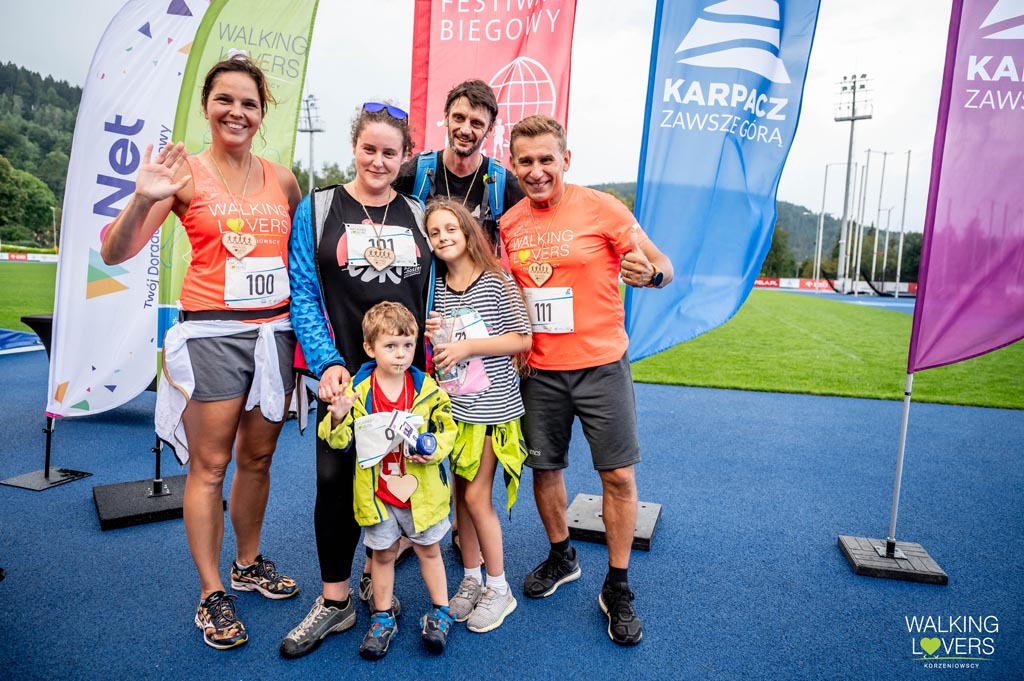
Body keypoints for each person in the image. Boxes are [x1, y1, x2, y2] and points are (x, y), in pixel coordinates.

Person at [99, 54, 302, 650]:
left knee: (258, 459)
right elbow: (115, 252)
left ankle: (248, 563)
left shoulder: (283, 179)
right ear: (207, 106)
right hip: (212, 336)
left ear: (262, 112)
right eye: (225, 100)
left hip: (274, 335)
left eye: (249, 103)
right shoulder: (182, 175)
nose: (237, 112)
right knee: (210, 467)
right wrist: (143, 199)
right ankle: (212, 591)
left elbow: (298, 261)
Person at [499, 114, 674, 646]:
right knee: (545, 469)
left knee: (617, 477)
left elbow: (661, 263)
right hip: (538, 372)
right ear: (513, 165)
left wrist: (652, 275)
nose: (536, 171)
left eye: (546, 159)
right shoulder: (509, 224)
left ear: (566, 160)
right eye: (525, 161)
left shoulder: (603, 208)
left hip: (601, 367)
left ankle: (617, 585)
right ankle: (562, 556)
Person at [281, 101, 433, 659]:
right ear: (354, 148)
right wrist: (327, 362)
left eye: (389, 152)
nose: (378, 160)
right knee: (335, 481)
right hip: (345, 381)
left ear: (404, 156)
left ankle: (378, 575)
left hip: (408, 382)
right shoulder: (319, 207)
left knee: (395, 477)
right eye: (369, 149)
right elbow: (302, 289)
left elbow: (435, 290)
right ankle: (336, 599)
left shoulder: (417, 212)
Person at [320, 301, 457, 658]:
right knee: (383, 556)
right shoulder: (357, 391)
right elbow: (338, 441)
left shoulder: (427, 388)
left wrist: (434, 449)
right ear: (370, 348)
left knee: (429, 550)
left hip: (422, 494)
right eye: (390, 345)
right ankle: (382, 617)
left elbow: (447, 429)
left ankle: (441, 611)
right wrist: (338, 417)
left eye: (408, 345)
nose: (401, 354)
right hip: (379, 494)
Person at [422, 200, 532, 633]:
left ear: (468, 232)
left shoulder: (497, 280)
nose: (443, 237)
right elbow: (441, 346)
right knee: (460, 499)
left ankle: (499, 587)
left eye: (451, 228)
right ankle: (471, 579)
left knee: (475, 499)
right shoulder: (436, 287)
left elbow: (522, 339)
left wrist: (468, 347)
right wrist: (435, 334)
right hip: (454, 410)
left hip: (491, 409)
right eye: (434, 232)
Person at [394, 79, 524, 254]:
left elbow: (536, 221)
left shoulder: (500, 181)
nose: (465, 130)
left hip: (482, 272)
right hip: (426, 272)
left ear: (490, 129)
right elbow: (377, 200)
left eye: (476, 123)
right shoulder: (417, 171)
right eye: (459, 118)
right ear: (446, 117)